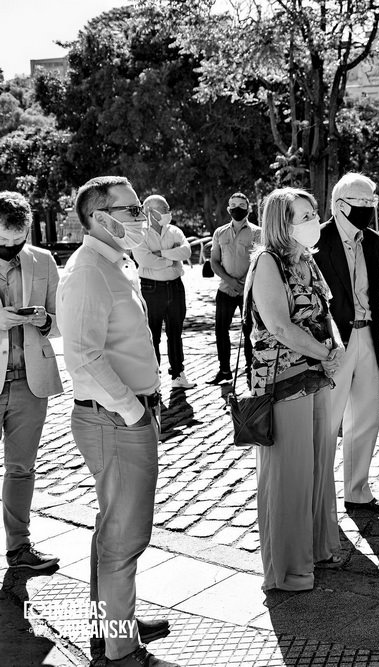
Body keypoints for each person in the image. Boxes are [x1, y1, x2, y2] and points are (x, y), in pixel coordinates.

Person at [58, 176, 175, 667]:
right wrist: (132, 410)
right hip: (112, 419)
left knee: (114, 529)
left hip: (122, 414)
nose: (140, 219)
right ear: (99, 218)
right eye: (129, 211)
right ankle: (121, 649)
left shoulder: (111, 262)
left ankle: (112, 623)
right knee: (125, 537)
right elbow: (83, 357)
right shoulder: (87, 271)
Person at [244, 187, 346, 592]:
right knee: (291, 473)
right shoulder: (267, 263)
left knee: (319, 468)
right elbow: (279, 326)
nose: (311, 221)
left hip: (317, 375)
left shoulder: (307, 261)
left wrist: (334, 347)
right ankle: (289, 569)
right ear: (279, 224)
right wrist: (324, 351)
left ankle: (318, 549)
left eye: (312, 212)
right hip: (282, 381)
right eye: (301, 215)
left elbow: (325, 311)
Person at [314, 173, 379, 514]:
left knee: (367, 414)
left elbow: (372, 291)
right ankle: (318, 494)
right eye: (362, 203)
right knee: (328, 419)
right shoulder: (317, 239)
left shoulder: (373, 241)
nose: (368, 209)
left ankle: (357, 491)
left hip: (368, 334)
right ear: (340, 205)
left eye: (372, 203)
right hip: (333, 341)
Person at [0, 192, 62, 572]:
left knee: (21, 469)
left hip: (29, 383)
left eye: (16, 242)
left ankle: (19, 548)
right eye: (1, 243)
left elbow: (61, 320)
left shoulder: (44, 260)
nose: (8, 249)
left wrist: (44, 321)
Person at [135, 195, 194, 390]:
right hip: (151, 289)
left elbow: (186, 252)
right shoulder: (140, 234)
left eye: (167, 207)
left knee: (175, 333)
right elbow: (145, 260)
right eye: (163, 208)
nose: (168, 212)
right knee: (153, 335)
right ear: (150, 212)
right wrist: (171, 258)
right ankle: (154, 379)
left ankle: (178, 374)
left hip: (175, 287)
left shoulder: (174, 230)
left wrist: (161, 254)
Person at [208, 192, 261, 385]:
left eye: (241, 205)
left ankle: (250, 369)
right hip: (225, 290)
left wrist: (243, 284)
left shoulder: (257, 233)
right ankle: (224, 370)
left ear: (248, 208)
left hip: (249, 292)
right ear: (228, 208)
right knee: (221, 330)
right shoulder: (219, 232)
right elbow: (214, 261)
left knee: (250, 331)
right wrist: (230, 281)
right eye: (233, 205)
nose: (237, 208)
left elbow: (260, 261)